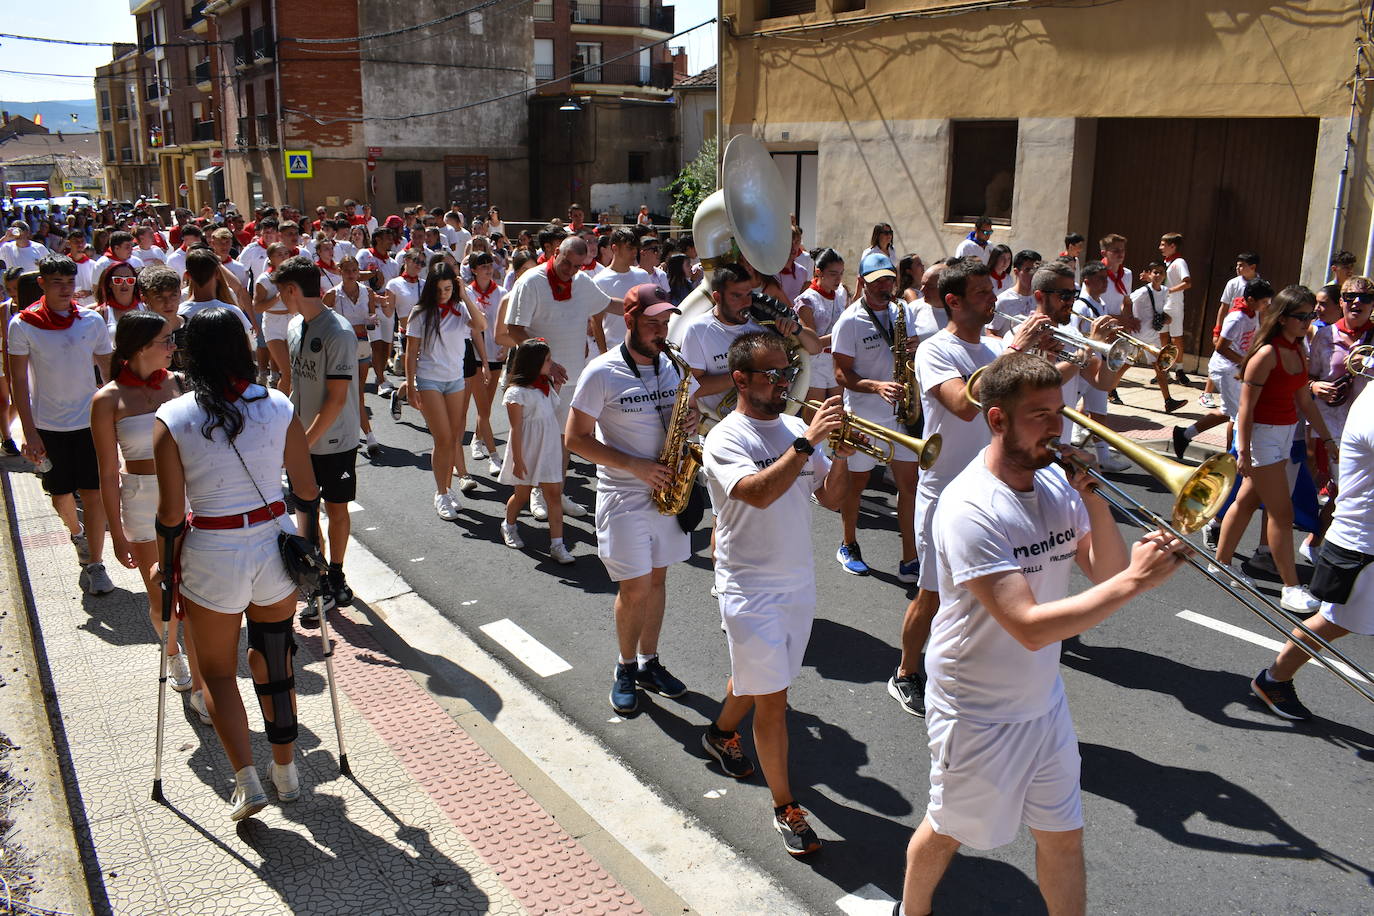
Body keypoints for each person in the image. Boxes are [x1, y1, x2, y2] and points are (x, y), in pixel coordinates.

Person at [896, 352, 1188, 916]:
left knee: (1062, 835)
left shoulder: (1056, 483)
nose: (1056, 428)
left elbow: (1103, 569)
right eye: (1039, 415)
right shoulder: (969, 507)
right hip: (976, 707)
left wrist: (1094, 497)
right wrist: (1134, 583)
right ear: (997, 419)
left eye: (1059, 412)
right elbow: (1029, 627)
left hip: (1042, 701)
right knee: (949, 829)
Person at [153, 306, 320, 820]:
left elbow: (169, 515)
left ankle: (247, 782)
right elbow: (308, 491)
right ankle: (287, 772)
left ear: (190, 353)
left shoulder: (173, 419)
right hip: (275, 546)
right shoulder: (278, 406)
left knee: (219, 674)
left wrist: (165, 568)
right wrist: (310, 553)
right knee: (276, 661)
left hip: (212, 553)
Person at [700, 331, 853, 856]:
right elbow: (759, 493)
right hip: (748, 587)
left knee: (765, 677)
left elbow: (830, 498)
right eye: (772, 374)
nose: (784, 382)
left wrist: (844, 453)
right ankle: (786, 807)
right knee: (775, 699)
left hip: (797, 582)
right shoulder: (726, 437)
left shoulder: (793, 426)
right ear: (740, 378)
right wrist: (808, 442)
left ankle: (720, 733)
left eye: (788, 372)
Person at [889, 258, 1047, 716]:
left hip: (993, 491)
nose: (992, 298)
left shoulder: (997, 347)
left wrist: (1074, 356)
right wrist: (1015, 354)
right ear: (953, 302)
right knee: (933, 592)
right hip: (944, 491)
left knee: (990, 592)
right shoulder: (936, 350)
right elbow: (961, 404)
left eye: (991, 290)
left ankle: (966, 670)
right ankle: (905, 672)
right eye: (981, 293)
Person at [566, 284, 694, 711]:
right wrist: (635, 466)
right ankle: (624, 665)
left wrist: (691, 419)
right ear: (630, 320)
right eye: (653, 323)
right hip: (623, 493)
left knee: (658, 580)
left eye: (666, 323)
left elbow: (678, 419)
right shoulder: (601, 371)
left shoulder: (673, 368)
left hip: (668, 493)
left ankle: (648, 661)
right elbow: (575, 439)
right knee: (635, 588)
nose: (662, 331)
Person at [90, 311, 207, 720]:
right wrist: (115, 535)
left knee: (191, 594)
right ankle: (172, 652)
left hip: (188, 496)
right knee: (161, 591)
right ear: (141, 346)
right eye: (165, 340)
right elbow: (107, 472)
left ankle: (202, 686)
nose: (173, 346)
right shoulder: (107, 399)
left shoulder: (178, 386)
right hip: (140, 501)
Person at [1250, 377, 1374, 721]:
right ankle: (1274, 678)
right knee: (1333, 621)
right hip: (1362, 543)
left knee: (1335, 621)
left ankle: (1274, 678)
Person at [1212, 285, 1336, 613]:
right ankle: (1291, 586)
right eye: (1301, 316)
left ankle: (1220, 563)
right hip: (1261, 438)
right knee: (1282, 514)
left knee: (1248, 499)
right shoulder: (1266, 355)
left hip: (1283, 435)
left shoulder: (1299, 350)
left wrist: (1326, 439)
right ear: (1282, 318)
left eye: (1311, 315)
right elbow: (1245, 409)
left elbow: (1304, 402)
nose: (1308, 321)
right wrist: (1243, 451)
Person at [8, 255, 115, 594]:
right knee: (60, 495)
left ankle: (96, 564)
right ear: (41, 283)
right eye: (56, 283)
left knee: (94, 494)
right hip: (48, 425)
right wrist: (29, 431)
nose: (65, 289)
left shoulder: (90, 321)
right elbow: (18, 383)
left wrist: (116, 414)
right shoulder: (22, 325)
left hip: (89, 422)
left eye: (69, 283)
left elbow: (109, 370)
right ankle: (77, 534)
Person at [831, 252, 938, 579]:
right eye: (878, 282)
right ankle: (848, 544)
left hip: (899, 416)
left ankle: (909, 558)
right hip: (863, 415)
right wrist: (876, 386)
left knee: (909, 485)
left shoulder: (900, 311)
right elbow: (840, 374)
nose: (886, 287)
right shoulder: (849, 320)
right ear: (863, 282)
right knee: (857, 483)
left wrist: (914, 348)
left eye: (890, 280)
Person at [503, 236, 621, 520]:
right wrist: (548, 364)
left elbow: (606, 304)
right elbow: (514, 329)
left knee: (562, 442)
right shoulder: (531, 281)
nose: (570, 270)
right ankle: (534, 494)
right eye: (566, 262)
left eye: (577, 266)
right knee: (536, 441)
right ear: (555, 252)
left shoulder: (580, 282)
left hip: (571, 379)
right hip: (536, 381)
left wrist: (641, 302)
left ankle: (555, 492)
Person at [277, 256, 360, 614]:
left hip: (335, 441)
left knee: (336, 509)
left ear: (293, 290)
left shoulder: (338, 331)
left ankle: (338, 575)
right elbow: (295, 383)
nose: (280, 299)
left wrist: (304, 443)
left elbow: (337, 399)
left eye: (282, 292)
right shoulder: (295, 327)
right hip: (303, 438)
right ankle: (321, 577)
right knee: (307, 514)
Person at [405, 261, 488, 519]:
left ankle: (447, 488)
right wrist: (410, 385)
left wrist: (463, 295)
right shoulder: (420, 313)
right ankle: (440, 494)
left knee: (453, 438)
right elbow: (411, 353)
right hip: (429, 380)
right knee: (442, 439)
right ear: (432, 287)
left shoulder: (461, 308)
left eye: (448, 288)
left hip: (455, 380)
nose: (444, 293)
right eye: (440, 289)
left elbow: (481, 326)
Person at [499, 338, 573, 563]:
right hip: (528, 450)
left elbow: (552, 407)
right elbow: (516, 429)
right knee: (521, 495)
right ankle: (508, 525)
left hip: (548, 449)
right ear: (533, 362)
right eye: (548, 360)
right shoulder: (516, 393)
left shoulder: (545, 385)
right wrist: (518, 460)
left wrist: (556, 384)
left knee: (553, 496)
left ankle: (557, 545)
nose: (552, 364)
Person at [322, 255, 382, 458]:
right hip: (340, 349)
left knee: (357, 392)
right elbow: (323, 325)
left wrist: (371, 322)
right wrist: (359, 325)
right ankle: (367, 435)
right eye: (346, 270)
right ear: (339, 271)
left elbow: (371, 321)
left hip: (362, 347)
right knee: (344, 393)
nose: (350, 274)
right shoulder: (332, 295)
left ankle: (358, 434)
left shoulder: (368, 292)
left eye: (354, 270)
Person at [465, 252, 505, 472]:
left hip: (496, 354)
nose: (488, 269)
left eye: (490, 265)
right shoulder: (467, 293)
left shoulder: (502, 292)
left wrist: (506, 348)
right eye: (483, 266)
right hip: (476, 356)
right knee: (481, 405)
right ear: (474, 269)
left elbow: (509, 322)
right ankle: (479, 443)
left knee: (487, 405)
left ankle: (477, 438)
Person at [796, 248, 847, 408]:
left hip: (835, 360)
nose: (838, 279)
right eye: (833, 274)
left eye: (841, 273)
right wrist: (840, 335)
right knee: (814, 412)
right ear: (819, 272)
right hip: (814, 364)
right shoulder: (807, 300)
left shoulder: (841, 293)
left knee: (838, 410)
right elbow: (811, 343)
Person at [592, 228, 651, 350]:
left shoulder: (643, 276)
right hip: (613, 348)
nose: (634, 252)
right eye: (630, 248)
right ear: (615, 249)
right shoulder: (600, 280)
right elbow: (596, 322)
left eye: (636, 248)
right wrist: (604, 353)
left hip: (641, 349)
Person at [1160, 232, 1192, 386]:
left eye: (1163, 245)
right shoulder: (1166, 263)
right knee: (1163, 337)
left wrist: (1169, 291)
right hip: (1163, 305)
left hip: (1174, 305)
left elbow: (1187, 283)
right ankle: (1164, 369)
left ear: (1173, 246)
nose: (1160, 248)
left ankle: (1179, 369)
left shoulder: (1179, 262)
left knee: (1176, 338)